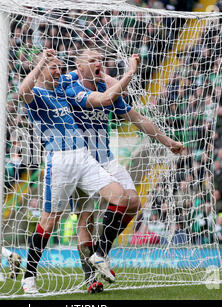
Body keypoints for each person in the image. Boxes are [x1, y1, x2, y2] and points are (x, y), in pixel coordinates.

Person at [18, 49, 140, 294]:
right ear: (42, 70)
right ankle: (29, 275)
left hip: (84, 157)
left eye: (59, 67)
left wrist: (101, 67)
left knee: (122, 197)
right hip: (60, 161)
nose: (58, 70)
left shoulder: (64, 88)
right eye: (53, 67)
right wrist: (41, 60)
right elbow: (22, 91)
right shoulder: (38, 95)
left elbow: (93, 77)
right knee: (50, 221)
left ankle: (99, 254)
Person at [61, 48, 184, 290]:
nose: (99, 62)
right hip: (82, 161)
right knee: (87, 219)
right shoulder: (71, 87)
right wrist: (129, 73)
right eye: (92, 60)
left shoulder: (107, 88)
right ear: (79, 66)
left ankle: (100, 253)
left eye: (100, 59)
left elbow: (138, 119)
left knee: (134, 202)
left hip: (105, 158)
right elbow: (104, 100)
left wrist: (169, 142)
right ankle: (91, 279)